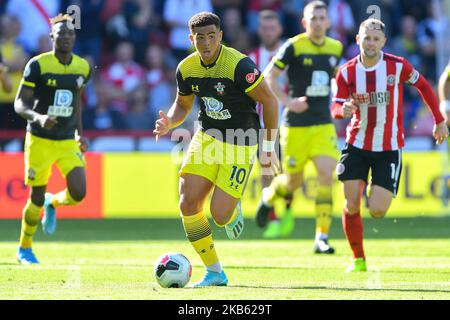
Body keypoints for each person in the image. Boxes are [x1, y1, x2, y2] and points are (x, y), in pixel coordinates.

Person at [153, 12, 279, 287]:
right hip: (207, 137)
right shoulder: (186, 68)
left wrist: (268, 146)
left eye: (212, 36)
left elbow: (269, 102)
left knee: (220, 215)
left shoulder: (238, 65)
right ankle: (214, 272)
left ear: (220, 36)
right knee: (187, 203)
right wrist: (170, 122)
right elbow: (183, 105)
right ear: (191, 39)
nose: (207, 42)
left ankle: (232, 207)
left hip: (241, 140)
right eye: (200, 37)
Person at [331, 18, 448, 272]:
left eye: (375, 39)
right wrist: (344, 109)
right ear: (357, 39)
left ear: (383, 42)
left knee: (377, 211)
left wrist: (439, 121)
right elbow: (335, 106)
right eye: (366, 37)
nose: (370, 42)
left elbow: (424, 86)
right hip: (356, 144)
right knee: (351, 203)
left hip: (388, 147)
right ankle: (358, 259)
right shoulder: (347, 72)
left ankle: (374, 187)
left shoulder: (398, 66)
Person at [255, 1, 343, 253]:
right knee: (293, 182)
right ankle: (269, 197)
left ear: (328, 22)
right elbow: (269, 76)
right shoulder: (293, 46)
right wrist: (288, 102)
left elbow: (337, 77)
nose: (317, 22)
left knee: (327, 174)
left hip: (323, 123)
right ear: (305, 22)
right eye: (312, 18)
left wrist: (341, 96)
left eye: (321, 18)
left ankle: (321, 237)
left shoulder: (335, 47)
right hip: (295, 126)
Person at [14, 14, 91, 264]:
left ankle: (54, 202)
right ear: (52, 37)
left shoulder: (83, 67)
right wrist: (38, 117)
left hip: (67, 139)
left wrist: (80, 133)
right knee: (35, 196)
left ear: (75, 37)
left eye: (70, 33)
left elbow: (76, 101)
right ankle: (25, 248)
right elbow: (20, 103)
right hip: (40, 139)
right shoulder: (37, 65)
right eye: (61, 34)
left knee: (79, 192)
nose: (66, 37)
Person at [248, 10, 287, 239]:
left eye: (272, 27)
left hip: (292, 124)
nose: (268, 31)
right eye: (264, 28)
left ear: (279, 30)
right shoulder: (251, 57)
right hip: (264, 127)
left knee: (289, 172)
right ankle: (273, 217)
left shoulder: (291, 54)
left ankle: (285, 212)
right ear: (259, 30)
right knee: (268, 171)